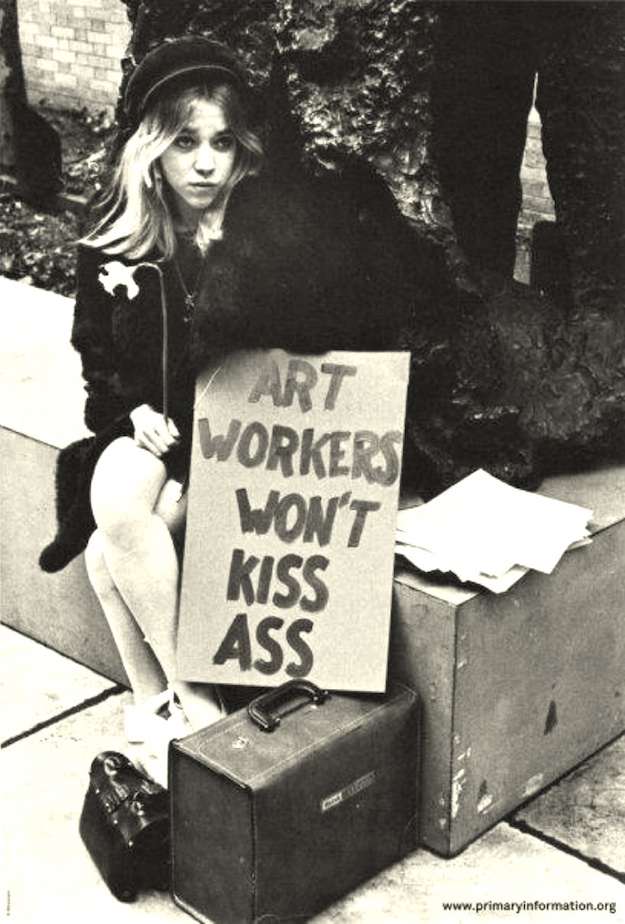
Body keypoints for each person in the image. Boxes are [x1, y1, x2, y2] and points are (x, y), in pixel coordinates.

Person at [38, 35, 417, 786]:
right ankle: (196, 701)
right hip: (156, 434)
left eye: (221, 143)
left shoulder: (263, 231)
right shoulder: (115, 239)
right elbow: (96, 356)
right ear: (152, 149)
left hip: (239, 441)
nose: (206, 164)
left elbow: (319, 338)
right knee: (114, 493)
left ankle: (157, 705)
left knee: (105, 553)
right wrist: (129, 412)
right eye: (185, 143)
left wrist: (236, 262)